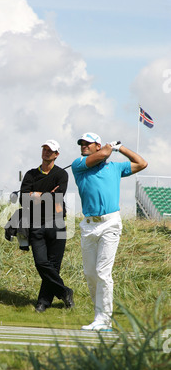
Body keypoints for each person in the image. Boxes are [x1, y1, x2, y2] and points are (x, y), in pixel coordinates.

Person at [72, 132, 148, 331]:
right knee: (90, 273)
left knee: (102, 272)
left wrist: (120, 148)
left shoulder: (115, 167)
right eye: (82, 144)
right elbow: (100, 155)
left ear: (96, 145)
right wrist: (107, 149)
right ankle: (99, 316)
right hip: (88, 225)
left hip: (110, 223)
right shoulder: (79, 165)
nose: (83, 146)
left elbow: (141, 163)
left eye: (88, 144)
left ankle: (103, 319)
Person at [20, 140, 74, 313]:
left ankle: (43, 302)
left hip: (57, 222)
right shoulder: (30, 174)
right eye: (44, 149)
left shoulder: (61, 175)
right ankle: (65, 292)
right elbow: (23, 199)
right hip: (36, 223)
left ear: (57, 154)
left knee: (53, 265)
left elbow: (57, 197)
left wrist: (36, 195)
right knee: (41, 263)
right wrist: (45, 195)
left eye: (50, 151)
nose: (46, 152)